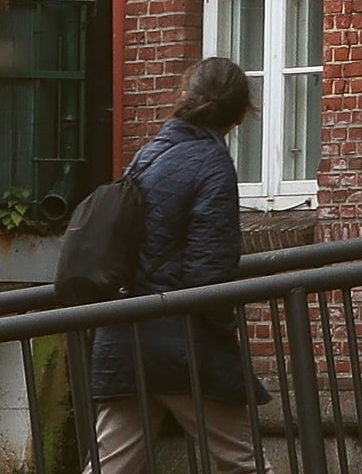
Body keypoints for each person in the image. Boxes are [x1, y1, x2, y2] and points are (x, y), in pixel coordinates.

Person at [82, 57, 265, 474]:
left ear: (187, 97)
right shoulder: (212, 164)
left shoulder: (149, 155)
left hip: (125, 332)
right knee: (244, 465)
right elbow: (208, 271)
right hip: (182, 345)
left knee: (111, 466)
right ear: (239, 116)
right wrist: (223, 336)